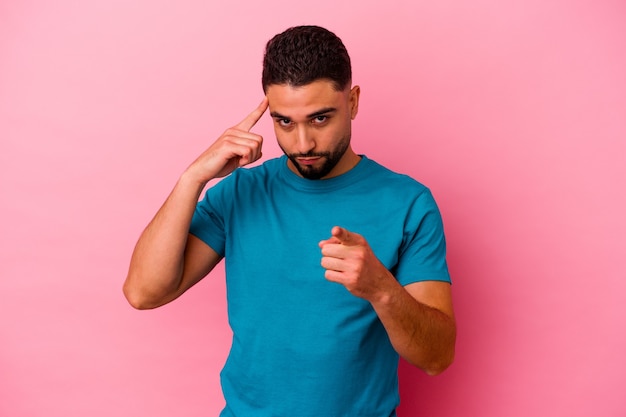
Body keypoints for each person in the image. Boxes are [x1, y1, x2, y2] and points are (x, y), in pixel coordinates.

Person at [124, 25, 456, 417]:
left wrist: (381, 288)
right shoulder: (239, 193)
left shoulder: (408, 202)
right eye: (284, 122)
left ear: (352, 102)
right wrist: (193, 178)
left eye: (319, 119)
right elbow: (144, 293)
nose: (302, 144)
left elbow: (437, 356)